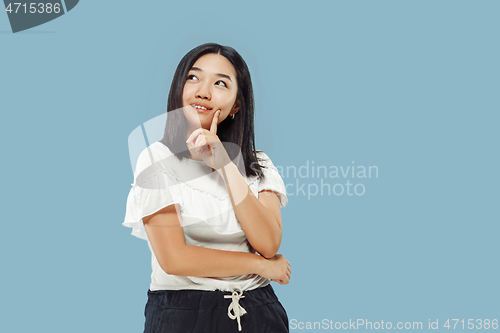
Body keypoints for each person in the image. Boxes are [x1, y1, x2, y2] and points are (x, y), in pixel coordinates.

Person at [123, 43, 291, 333]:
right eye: (193, 78)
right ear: (179, 88)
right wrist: (261, 266)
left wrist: (225, 165)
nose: (203, 91)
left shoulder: (259, 163)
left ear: (237, 104)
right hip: (182, 314)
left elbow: (268, 242)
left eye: (220, 83)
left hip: (259, 312)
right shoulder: (155, 159)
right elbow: (174, 258)